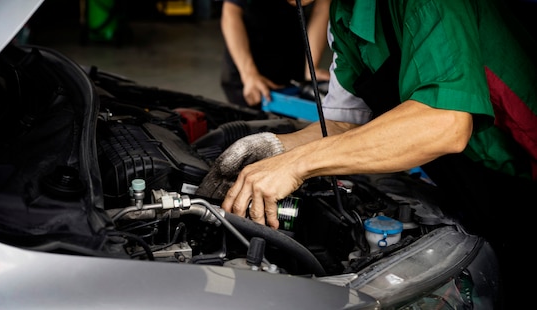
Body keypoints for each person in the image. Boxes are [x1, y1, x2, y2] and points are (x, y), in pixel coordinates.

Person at [198, 0, 537, 308]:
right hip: (473, 183)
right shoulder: (346, 15)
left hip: (523, 177)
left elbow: (445, 123)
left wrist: (298, 165)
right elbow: (346, 123)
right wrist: (274, 148)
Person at [219, 0, 331, 108]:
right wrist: (249, 75)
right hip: (247, 61)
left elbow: (321, 8)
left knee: (285, 123)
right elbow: (231, 12)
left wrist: (310, 68)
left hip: (289, 57)